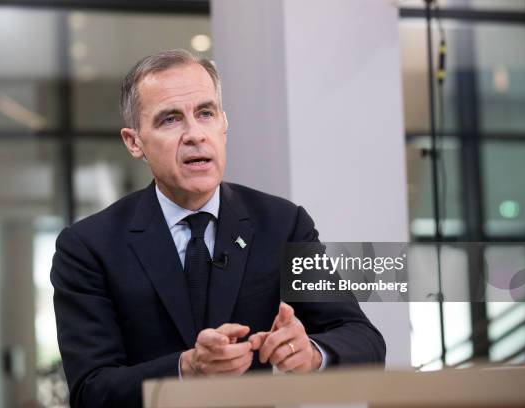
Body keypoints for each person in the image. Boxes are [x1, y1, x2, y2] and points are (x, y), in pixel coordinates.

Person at [51, 49, 385, 408]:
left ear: (224, 124)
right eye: (170, 120)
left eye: (205, 113)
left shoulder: (283, 224)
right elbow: (91, 391)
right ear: (134, 142)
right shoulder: (88, 247)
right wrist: (186, 369)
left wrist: (312, 354)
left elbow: (363, 339)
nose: (195, 134)